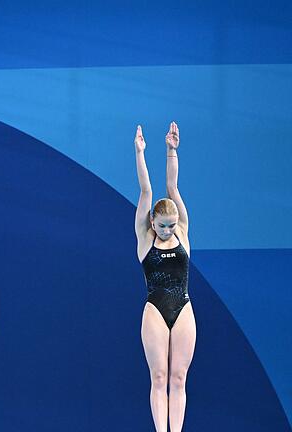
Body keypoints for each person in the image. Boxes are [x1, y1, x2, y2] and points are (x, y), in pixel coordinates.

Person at [134, 122, 196, 432]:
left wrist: (172, 150)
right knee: (159, 377)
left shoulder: (182, 233)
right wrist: (140, 153)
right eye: (163, 226)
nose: (168, 230)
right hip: (155, 310)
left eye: (171, 225)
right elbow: (147, 191)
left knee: (178, 378)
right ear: (153, 223)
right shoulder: (146, 240)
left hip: (183, 307)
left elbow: (172, 187)